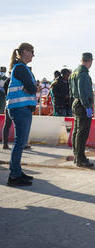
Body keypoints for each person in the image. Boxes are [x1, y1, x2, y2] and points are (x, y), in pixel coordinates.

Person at [6, 42, 37, 186]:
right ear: (24, 51)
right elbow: (32, 87)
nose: (33, 55)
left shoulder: (22, 68)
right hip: (20, 108)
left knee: (21, 142)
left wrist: (32, 87)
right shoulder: (20, 68)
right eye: (32, 51)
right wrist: (32, 87)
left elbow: (32, 88)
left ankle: (17, 171)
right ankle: (14, 175)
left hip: (21, 108)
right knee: (20, 142)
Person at [70, 52, 94, 168]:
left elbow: (72, 91)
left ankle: (77, 156)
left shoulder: (74, 72)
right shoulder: (83, 74)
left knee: (77, 131)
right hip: (82, 104)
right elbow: (82, 92)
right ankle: (80, 158)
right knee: (82, 132)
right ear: (90, 61)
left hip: (76, 103)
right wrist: (87, 106)